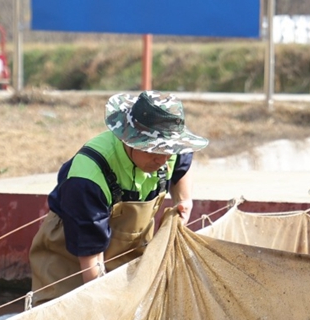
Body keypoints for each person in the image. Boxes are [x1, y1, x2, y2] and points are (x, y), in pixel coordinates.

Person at [29, 90, 208, 304]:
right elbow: (92, 259)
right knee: (75, 317)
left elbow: (181, 167)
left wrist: (183, 202)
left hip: (129, 253)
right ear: (129, 140)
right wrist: (102, 306)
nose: (162, 159)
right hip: (71, 258)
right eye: (153, 150)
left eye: (168, 150)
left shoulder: (171, 155)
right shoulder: (88, 177)